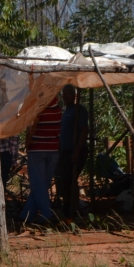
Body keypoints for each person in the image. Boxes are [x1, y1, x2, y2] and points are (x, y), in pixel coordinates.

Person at [19, 97, 61, 224]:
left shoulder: (38, 107)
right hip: (53, 149)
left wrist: (27, 140)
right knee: (42, 185)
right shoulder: (58, 109)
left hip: (37, 149)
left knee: (38, 185)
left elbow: (34, 122)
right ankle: (26, 215)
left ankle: (47, 214)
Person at [57, 84, 88, 219]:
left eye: (68, 94)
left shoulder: (79, 110)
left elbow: (84, 131)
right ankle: (68, 204)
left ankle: (72, 207)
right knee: (64, 178)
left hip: (75, 150)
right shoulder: (66, 111)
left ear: (75, 96)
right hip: (65, 150)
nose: (65, 96)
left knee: (70, 178)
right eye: (64, 94)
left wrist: (77, 150)